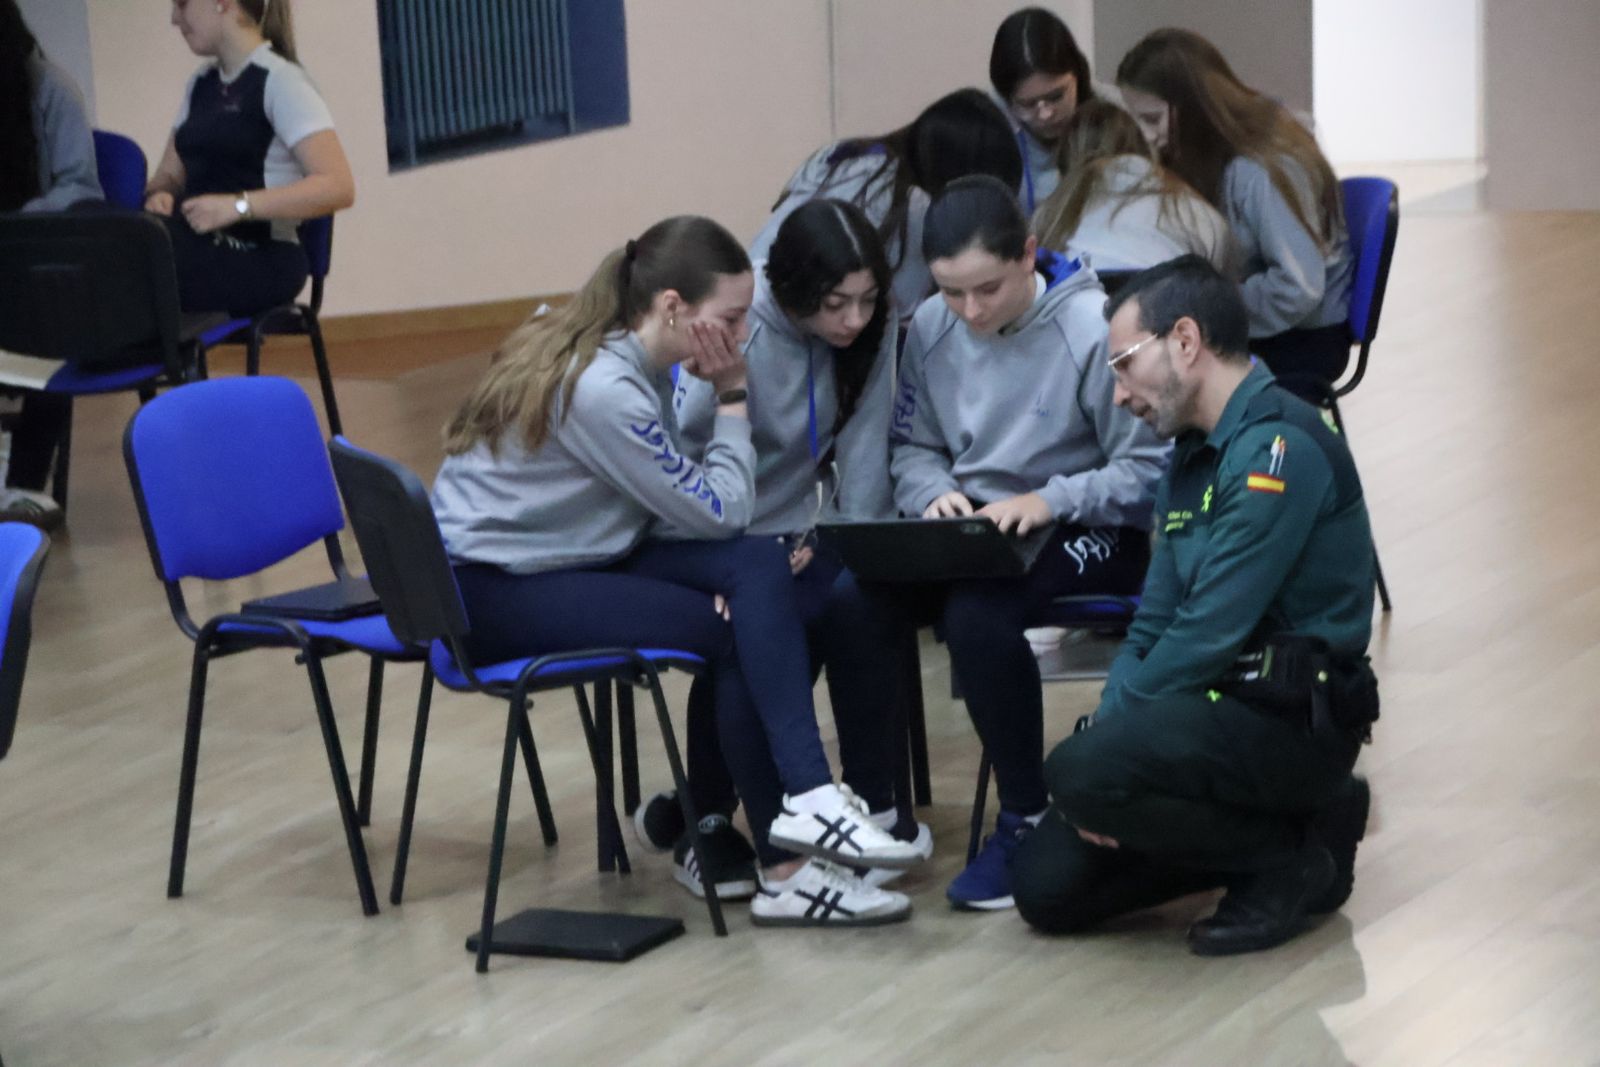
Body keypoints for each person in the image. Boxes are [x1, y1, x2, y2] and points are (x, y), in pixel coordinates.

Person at [432, 215, 924, 927]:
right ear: (672, 308)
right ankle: (788, 864)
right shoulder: (605, 389)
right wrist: (730, 393)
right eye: (729, 318)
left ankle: (807, 806)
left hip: (567, 550)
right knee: (733, 627)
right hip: (491, 590)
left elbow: (705, 520)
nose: (739, 331)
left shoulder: (619, 352)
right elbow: (724, 507)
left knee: (755, 571)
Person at [1011, 255, 1379, 956]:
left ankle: (1284, 860)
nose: (1118, 395)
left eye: (1123, 364)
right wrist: (1108, 728)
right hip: (1207, 719)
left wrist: (1101, 754)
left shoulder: (1278, 447)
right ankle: (1297, 834)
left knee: (1081, 773)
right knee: (1047, 885)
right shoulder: (1190, 455)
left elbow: (1209, 631)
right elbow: (1155, 620)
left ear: (1184, 341)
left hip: (1287, 720)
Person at [821, 176, 1168, 912]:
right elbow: (912, 446)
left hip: (1086, 523)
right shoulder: (930, 328)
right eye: (951, 292)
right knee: (855, 595)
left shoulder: (1088, 329)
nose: (970, 311)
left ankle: (1026, 815)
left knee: (979, 614)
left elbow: (1145, 472)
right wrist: (929, 492)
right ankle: (876, 812)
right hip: (975, 523)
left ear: (1029, 256)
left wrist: (1050, 499)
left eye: (987, 289)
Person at [630, 199, 919, 900]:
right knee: (750, 639)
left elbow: (865, 453)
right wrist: (733, 558)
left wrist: (852, 548)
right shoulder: (735, 329)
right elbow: (677, 467)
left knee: (852, 602)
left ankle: (810, 810)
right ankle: (751, 840)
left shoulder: (871, 332)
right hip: (711, 536)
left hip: (801, 533)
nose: (854, 319)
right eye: (835, 303)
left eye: (868, 299)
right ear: (788, 295)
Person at [1115, 29, 1354, 394]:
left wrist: (1212, 309)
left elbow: (1298, 288)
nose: (1146, 137)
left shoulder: (1259, 169)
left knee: (1164, 371)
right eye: (1138, 121)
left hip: (1305, 336)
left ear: (1192, 108)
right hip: (1272, 323)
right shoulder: (1215, 155)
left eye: (1152, 119)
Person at [142, 0, 354, 317]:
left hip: (263, 256)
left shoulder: (281, 81)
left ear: (222, 4)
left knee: (146, 261)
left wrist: (237, 207)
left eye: (182, 4)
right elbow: (168, 177)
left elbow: (339, 186)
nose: (175, 19)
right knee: (120, 233)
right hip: (201, 245)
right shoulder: (200, 84)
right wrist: (160, 194)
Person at [749, 88, 1021, 329]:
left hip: (761, 296)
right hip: (790, 317)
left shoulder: (850, 154)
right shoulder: (911, 204)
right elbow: (907, 318)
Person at [0, 0, 104, 529]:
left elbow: (81, 189)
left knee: (57, 323)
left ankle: (22, 484)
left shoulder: (50, 89)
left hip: (38, 262)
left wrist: (16, 220)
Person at [1031, 99, 1232, 286]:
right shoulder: (1193, 207)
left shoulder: (1050, 216)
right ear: (1142, 145)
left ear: (1065, 162)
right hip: (1170, 309)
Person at [988, 7, 1123, 216]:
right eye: (1027, 104)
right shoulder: (988, 123)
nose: (1045, 114)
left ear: (1077, 75)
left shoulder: (1114, 111)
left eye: (1056, 97)